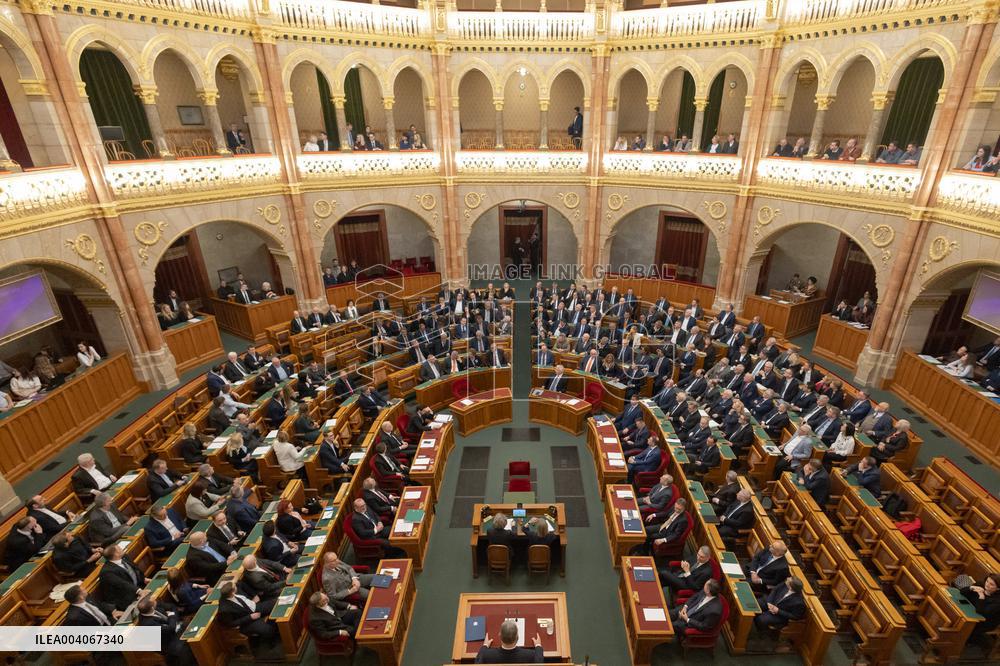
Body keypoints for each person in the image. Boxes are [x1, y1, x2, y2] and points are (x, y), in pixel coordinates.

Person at [218, 580, 279, 645]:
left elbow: (240, 583)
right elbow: (231, 623)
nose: (236, 585)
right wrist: (250, 617)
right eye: (235, 586)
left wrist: (254, 595)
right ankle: (273, 638)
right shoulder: (224, 609)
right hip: (247, 622)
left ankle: (277, 625)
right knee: (267, 629)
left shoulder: (230, 593)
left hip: (254, 607)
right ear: (232, 592)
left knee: (277, 604)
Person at [136, 596, 194, 660]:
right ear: (152, 608)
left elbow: (172, 606)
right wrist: (171, 616)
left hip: (174, 628)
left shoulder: (148, 608)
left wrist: (173, 620)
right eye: (155, 602)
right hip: (169, 642)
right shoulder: (147, 624)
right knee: (185, 648)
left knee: (192, 624)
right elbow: (171, 628)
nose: (156, 602)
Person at [98, 543, 149, 610]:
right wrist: (139, 591)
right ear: (116, 554)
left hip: (137, 587)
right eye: (119, 548)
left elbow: (135, 568)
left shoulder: (124, 557)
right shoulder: (107, 572)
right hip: (126, 598)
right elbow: (122, 584)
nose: (122, 549)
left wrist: (143, 579)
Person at [475, 619, 543, 663]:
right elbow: (539, 662)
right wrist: (538, 646)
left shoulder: (487, 655)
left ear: (500, 635)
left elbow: (478, 662)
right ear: (517, 637)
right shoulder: (530, 655)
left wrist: (485, 646)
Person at [961, 574, 999, 644]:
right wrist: (971, 587)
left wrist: (981, 596)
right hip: (970, 609)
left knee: (965, 625)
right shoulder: (981, 584)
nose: (987, 585)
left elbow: (981, 612)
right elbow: (962, 592)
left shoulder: (997, 601)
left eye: (991, 584)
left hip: (985, 622)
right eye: (987, 581)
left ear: (998, 588)